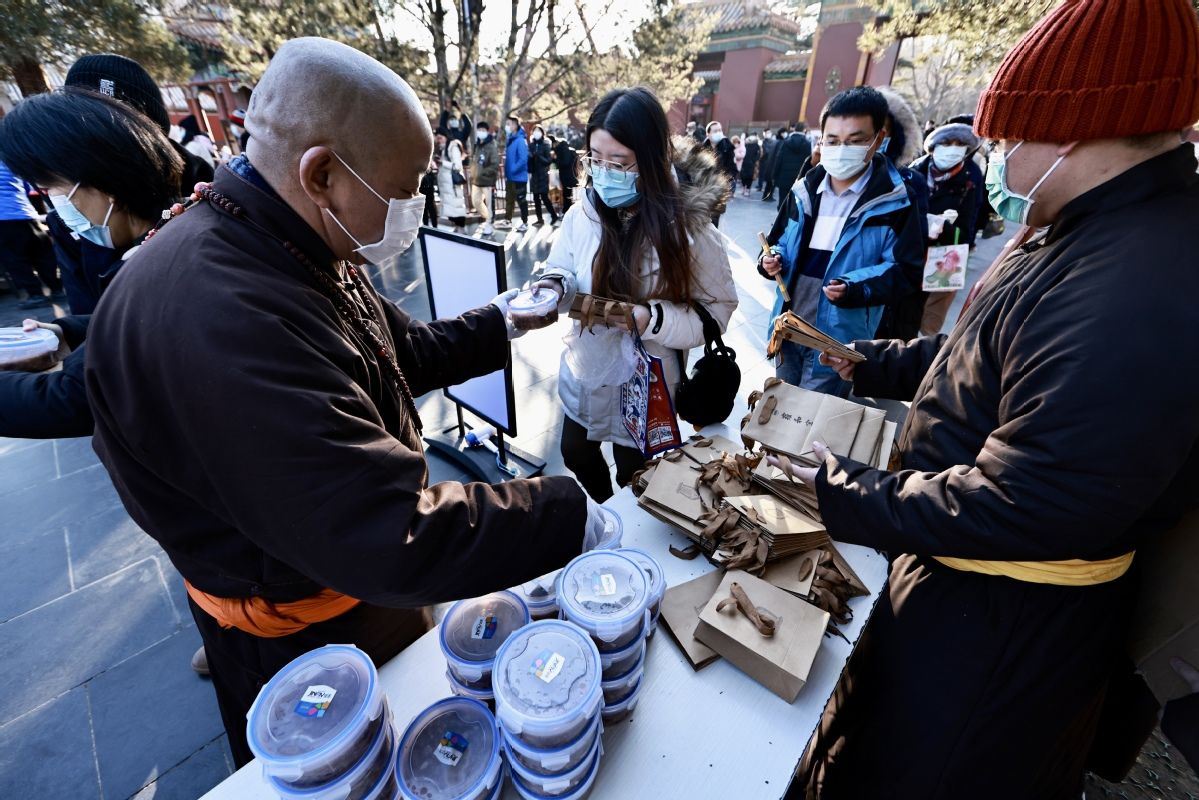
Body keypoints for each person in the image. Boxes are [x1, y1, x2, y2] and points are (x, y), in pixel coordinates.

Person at [83, 37, 614, 766]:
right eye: (405, 188)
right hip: (302, 633)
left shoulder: (295, 241)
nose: (414, 207)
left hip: (345, 581)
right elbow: (385, 534)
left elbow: (399, 355)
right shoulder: (225, 319)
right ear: (323, 173)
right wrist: (565, 511)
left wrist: (504, 320)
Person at [797, 1, 1199, 796]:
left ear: (1079, 133)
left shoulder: (1141, 279)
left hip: (1003, 625)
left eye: (1015, 138)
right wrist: (880, 364)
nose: (1001, 159)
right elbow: (991, 357)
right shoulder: (1086, 223)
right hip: (967, 585)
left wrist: (849, 494)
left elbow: (1033, 499)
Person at [532, 87, 737, 502]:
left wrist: (652, 319)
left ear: (652, 158)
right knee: (575, 451)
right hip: (587, 370)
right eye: (596, 158)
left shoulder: (690, 230)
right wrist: (552, 284)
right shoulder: (582, 212)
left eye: (620, 163)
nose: (604, 172)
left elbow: (717, 310)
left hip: (648, 380)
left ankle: (629, 532)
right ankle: (607, 515)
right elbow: (562, 263)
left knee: (637, 475)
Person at [0, 89, 183, 438]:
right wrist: (64, 332)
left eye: (53, 188)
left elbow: (74, 399)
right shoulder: (170, 237)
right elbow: (132, 328)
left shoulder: (156, 268)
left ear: (101, 184)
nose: (56, 207)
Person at [758, 86, 923, 396]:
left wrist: (855, 287)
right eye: (833, 141)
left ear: (878, 139)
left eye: (856, 141)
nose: (842, 148)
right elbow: (777, 241)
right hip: (789, 327)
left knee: (812, 420)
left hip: (837, 339)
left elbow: (907, 271)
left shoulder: (896, 201)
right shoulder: (804, 189)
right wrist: (769, 260)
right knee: (781, 407)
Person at [57, 53, 211, 314]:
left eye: (110, 125)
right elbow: (89, 317)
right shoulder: (70, 214)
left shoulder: (202, 187)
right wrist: (66, 333)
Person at [909, 122, 985, 335]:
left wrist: (961, 242)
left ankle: (924, 348)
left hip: (949, 250)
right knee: (907, 305)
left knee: (935, 308)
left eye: (959, 144)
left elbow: (972, 217)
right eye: (947, 143)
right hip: (914, 248)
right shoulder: (916, 170)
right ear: (933, 147)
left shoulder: (971, 176)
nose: (952, 148)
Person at [871, 86, 932, 342]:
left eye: (882, 130)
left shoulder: (910, 182)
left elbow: (911, 257)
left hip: (883, 297)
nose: (875, 138)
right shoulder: (827, 177)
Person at [0, 160, 63, 309]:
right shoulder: (9, 162)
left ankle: (35, 295)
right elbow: (30, 188)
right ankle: (57, 289)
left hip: (3, 219)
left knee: (15, 259)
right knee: (43, 254)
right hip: (28, 214)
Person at [495, 115, 529, 232]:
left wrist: (513, 169)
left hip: (519, 178)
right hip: (510, 177)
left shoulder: (520, 140)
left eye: (509, 124)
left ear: (515, 125)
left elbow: (523, 159)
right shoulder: (511, 139)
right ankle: (507, 220)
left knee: (521, 200)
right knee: (509, 199)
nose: (507, 126)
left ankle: (525, 222)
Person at [771, 126, 812, 210]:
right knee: (796, 204)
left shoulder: (785, 142)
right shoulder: (807, 144)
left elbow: (778, 160)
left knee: (782, 202)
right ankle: (790, 222)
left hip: (784, 177)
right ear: (804, 131)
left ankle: (780, 221)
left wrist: (774, 175)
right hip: (799, 179)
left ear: (794, 130)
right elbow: (809, 163)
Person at [435, 129, 467, 233]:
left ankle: (461, 229)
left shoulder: (453, 147)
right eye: (437, 138)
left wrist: (443, 162)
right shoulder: (443, 149)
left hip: (452, 186)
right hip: (447, 186)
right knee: (451, 210)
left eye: (441, 138)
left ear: (446, 136)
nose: (439, 140)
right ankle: (458, 228)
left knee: (457, 208)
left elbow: (457, 165)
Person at [471, 121, 499, 236]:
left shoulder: (491, 145)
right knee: (476, 202)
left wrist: (483, 173)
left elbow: (494, 164)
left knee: (489, 204)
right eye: (479, 130)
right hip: (476, 181)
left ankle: (489, 223)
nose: (481, 132)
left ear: (487, 132)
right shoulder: (477, 144)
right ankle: (487, 218)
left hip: (487, 181)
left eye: (483, 130)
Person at [528, 124, 558, 226]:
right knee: (536, 198)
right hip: (534, 175)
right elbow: (529, 159)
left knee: (544, 197)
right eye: (534, 130)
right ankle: (539, 219)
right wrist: (530, 158)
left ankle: (554, 215)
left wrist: (538, 156)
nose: (536, 132)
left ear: (542, 133)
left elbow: (548, 161)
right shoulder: (531, 145)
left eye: (538, 130)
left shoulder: (546, 145)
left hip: (543, 174)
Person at [553, 134, 578, 217]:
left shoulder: (561, 151)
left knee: (566, 195)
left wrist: (556, 159)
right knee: (569, 195)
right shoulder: (571, 150)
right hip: (572, 175)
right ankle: (568, 211)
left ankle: (567, 212)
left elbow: (564, 162)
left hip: (566, 176)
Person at [759, 128, 778, 200]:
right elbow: (766, 151)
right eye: (767, 133)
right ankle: (765, 194)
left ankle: (769, 195)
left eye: (769, 132)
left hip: (771, 162)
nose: (768, 134)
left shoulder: (773, 141)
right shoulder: (763, 142)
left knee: (770, 180)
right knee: (767, 180)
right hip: (765, 162)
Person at [741, 133, 760, 198]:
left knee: (749, 177)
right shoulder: (745, 145)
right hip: (744, 163)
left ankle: (747, 189)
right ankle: (744, 188)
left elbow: (758, 155)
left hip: (751, 164)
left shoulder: (757, 146)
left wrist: (753, 160)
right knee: (743, 176)